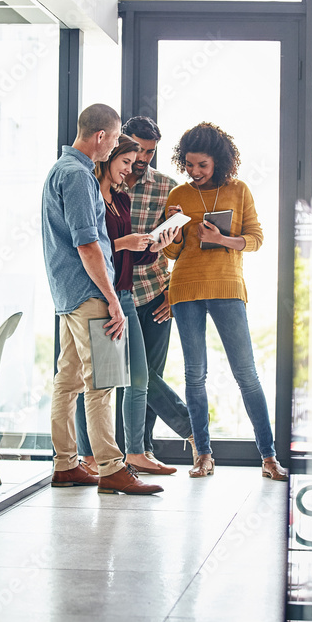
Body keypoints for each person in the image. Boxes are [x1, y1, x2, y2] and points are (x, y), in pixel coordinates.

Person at [41, 103, 163, 495]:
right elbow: (89, 244)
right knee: (102, 383)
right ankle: (111, 467)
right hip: (90, 291)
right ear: (100, 137)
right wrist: (112, 299)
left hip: (68, 293)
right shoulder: (78, 176)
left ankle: (65, 464)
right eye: (114, 141)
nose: (114, 149)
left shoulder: (60, 170)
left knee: (69, 381)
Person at [162, 121, 288, 481]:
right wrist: (170, 230)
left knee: (246, 374)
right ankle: (203, 455)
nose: (194, 172)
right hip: (185, 288)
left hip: (227, 287)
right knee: (194, 376)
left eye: (202, 165)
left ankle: (268, 458)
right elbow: (172, 253)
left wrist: (221, 239)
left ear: (218, 161)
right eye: (189, 164)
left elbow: (256, 239)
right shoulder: (178, 196)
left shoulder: (239, 190)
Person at [74, 135, 182, 475]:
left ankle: (135, 452)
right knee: (98, 382)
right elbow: (88, 247)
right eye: (125, 162)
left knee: (139, 379)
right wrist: (125, 243)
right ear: (110, 158)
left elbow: (128, 254)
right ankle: (90, 456)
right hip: (100, 295)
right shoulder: (90, 193)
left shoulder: (119, 198)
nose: (131, 169)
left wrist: (158, 244)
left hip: (125, 294)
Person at [120, 115, 197, 468]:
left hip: (155, 292)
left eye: (150, 152)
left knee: (150, 374)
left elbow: (178, 250)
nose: (143, 159)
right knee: (137, 375)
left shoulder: (166, 187)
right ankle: (191, 427)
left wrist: (171, 292)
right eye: (138, 150)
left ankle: (143, 449)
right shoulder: (108, 183)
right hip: (117, 295)